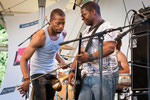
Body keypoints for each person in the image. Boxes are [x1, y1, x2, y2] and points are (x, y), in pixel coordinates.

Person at [68, 1, 118, 100]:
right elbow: (80, 54)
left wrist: (89, 57)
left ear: (93, 12)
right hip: (87, 76)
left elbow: (109, 48)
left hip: (104, 75)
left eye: (84, 15)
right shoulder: (86, 32)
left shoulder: (107, 27)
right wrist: (72, 70)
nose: (82, 18)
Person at [17, 8, 68, 100]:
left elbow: (53, 49)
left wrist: (61, 61)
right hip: (38, 72)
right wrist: (26, 79)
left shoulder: (63, 34)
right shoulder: (40, 36)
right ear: (50, 21)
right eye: (58, 23)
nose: (61, 26)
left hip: (51, 71)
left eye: (63, 23)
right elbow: (23, 59)